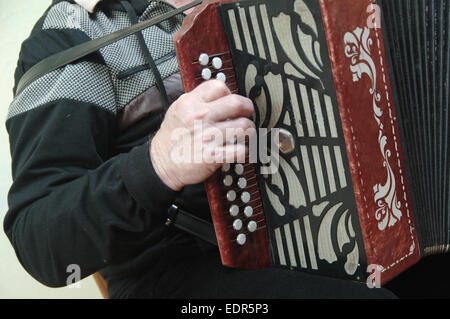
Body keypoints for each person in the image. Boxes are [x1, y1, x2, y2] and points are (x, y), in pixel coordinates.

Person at [4, 0, 396, 298]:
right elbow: (41, 239)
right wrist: (159, 164)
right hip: (185, 270)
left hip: (342, 222)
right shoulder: (76, 30)